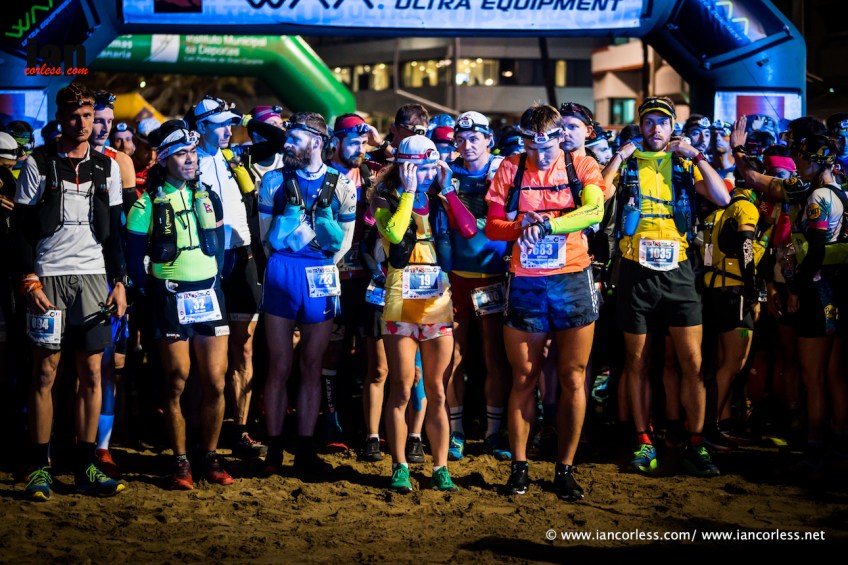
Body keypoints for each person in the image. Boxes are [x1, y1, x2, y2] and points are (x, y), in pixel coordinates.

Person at [485, 103, 605, 501]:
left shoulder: (582, 165)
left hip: (572, 277)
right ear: (523, 141)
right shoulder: (510, 167)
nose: (539, 156)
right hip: (526, 281)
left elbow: (594, 210)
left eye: (547, 147)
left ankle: (565, 468)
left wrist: (550, 224)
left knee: (573, 376)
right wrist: (521, 225)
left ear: (561, 137)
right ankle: (519, 467)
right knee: (524, 376)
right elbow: (493, 226)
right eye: (532, 148)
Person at [605, 96, 730, 478]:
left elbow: (722, 197)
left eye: (662, 121)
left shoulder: (683, 163)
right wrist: (619, 154)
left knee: (692, 363)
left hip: (679, 271)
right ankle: (644, 442)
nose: (655, 128)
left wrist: (698, 156)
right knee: (637, 362)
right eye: (649, 121)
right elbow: (602, 192)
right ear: (640, 126)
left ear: (672, 126)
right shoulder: (629, 163)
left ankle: (696, 443)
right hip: (635, 270)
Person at [15, 84, 127, 500]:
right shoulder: (38, 163)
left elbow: (114, 233)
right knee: (45, 372)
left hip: (94, 277)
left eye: (88, 116)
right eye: (75, 116)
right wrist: (28, 278)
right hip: (49, 276)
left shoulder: (108, 167)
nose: (83, 124)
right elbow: (20, 229)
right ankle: (38, 467)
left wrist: (120, 282)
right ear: (60, 118)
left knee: (92, 373)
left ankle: (85, 466)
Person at [126, 119, 233, 490]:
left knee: (215, 382)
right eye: (182, 153)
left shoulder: (208, 197)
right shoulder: (145, 205)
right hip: (170, 296)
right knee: (176, 380)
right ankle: (180, 460)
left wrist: (215, 280)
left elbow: (221, 249)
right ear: (164, 159)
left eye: (193, 152)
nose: (191, 159)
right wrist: (155, 296)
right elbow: (134, 265)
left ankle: (210, 455)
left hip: (209, 294)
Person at [258, 111, 356, 475]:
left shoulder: (342, 184)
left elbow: (345, 242)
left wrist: (322, 263)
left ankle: (304, 448)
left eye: (294, 138)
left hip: (320, 273)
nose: (286, 144)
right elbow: (265, 237)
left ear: (316, 142)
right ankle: (273, 449)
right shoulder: (273, 180)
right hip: (283, 271)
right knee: (279, 365)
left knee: (312, 366)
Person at [373, 134, 471, 493]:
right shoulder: (384, 198)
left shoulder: (439, 199)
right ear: (405, 167)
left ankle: (440, 467)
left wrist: (450, 191)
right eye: (422, 167)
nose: (429, 174)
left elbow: (469, 228)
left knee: (437, 391)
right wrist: (410, 192)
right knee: (401, 389)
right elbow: (395, 232)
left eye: (432, 167)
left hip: (437, 306)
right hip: (400, 303)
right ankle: (399, 465)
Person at [192, 96, 287, 459]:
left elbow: (278, 139)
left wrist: (243, 118)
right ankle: (203, 426)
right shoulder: (187, 159)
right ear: (201, 127)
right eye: (220, 125)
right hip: (205, 261)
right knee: (204, 350)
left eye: (230, 125)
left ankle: (241, 430)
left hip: (243, 255)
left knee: (244, 346)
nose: (229, 131)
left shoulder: (238, 157)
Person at [437, 111, 510, 462]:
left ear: (489, 140)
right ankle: (457, 431)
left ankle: (493, 433)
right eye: (461, 139)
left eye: (474, 138)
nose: (467, 145)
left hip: (492, 274)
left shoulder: (503, 170)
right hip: (455, 277)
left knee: (495, 357)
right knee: (454, 357)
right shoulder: (448, 171)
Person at [89, 90, 137, 476]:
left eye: (108, 120)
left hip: (109, 274)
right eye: (98, 120)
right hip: (68, 271)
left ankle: (102, 446)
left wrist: (122, 279)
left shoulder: (120, 162)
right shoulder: (53, 158)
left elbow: (127, 228)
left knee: (106, 366)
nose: (103, 128)